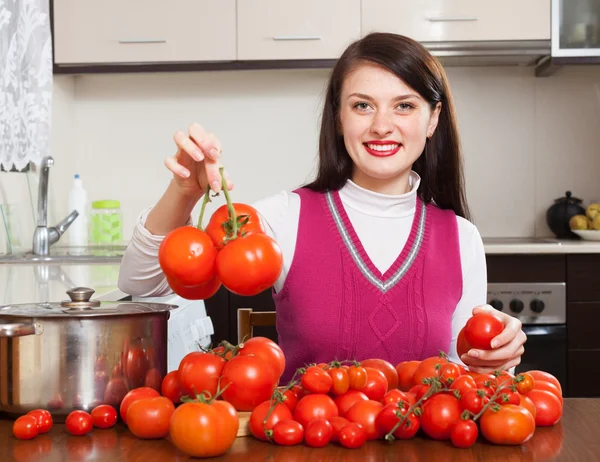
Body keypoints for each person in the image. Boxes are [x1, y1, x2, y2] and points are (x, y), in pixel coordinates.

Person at [118, 32, 526, 383]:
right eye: (362, 105)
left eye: (404, 106)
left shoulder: (461, 238)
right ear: (337, 117)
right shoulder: (286, 218)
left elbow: (466, 377)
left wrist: (498, 356)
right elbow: (142, 287)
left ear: (433, 119)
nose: (382, 125)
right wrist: (184, 193)